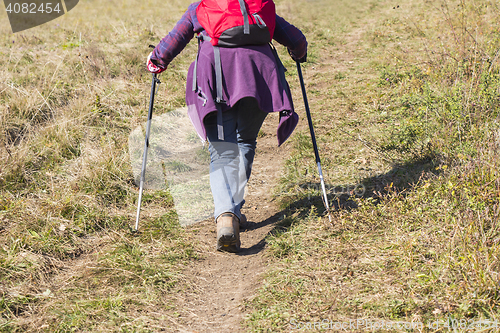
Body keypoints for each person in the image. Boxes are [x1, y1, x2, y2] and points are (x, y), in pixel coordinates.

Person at [146, 1, 307, 253]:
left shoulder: (200, 7)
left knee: (222, 149)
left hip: (217, 74)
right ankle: (233, 209)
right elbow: (296, 39)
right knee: (245, 142)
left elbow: (173, 41)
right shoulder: (258, 5)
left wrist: (156, 60)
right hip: (259, 75)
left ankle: (226, 216)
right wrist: (299, 53)